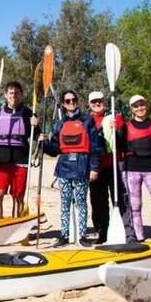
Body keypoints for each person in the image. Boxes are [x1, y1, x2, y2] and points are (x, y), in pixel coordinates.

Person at [41, 90, 101, 247]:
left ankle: (82, 236)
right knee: (65, 202)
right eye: (67, 101)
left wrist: (94, 168)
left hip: (82, 166)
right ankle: (64, 236)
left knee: (81, 202)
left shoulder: (87, 121)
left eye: (73, 99)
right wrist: (43, 143)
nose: (71, 102)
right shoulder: (59, 123)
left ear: (77, 101)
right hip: (64, 168)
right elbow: (54, 149)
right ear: (63, 104)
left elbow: (95, 146)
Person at [87, 91, 136, 244]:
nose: (97, 104)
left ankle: (129, 234)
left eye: (99, 101)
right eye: (93, 101)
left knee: (121, 200)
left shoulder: (116, 117)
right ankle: (103, 233)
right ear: (89, 104)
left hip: (115, 165)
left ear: (104, 102)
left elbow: (123, 142)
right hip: (96, 168)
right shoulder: (86, 120)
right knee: (98, 203)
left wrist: (118, 130)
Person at [119, 95, 151, 240]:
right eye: (136, 106)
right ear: (132, 109)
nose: (139, 108)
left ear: (146, 106)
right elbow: (119, 146)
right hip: (131, 169)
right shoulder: (126, 126)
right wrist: (116, 131)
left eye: (142, 105)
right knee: (135, 207)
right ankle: (139, 237)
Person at [0, 81, 38, 220]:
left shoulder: (29, 114)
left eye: (17, 93)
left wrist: (36, 126)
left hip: (20, 161)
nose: (13, 96)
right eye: (11, 93)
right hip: (0, 161)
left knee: (18, 197)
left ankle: (16, 226)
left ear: (21, 95)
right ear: (5, 95)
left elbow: (38, 136)